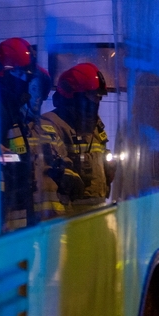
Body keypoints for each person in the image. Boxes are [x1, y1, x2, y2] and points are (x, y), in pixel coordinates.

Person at [37, 63, 114, 211]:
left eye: (98, 97)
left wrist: (108, 167)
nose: (97, 102)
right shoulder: (50, 124)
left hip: (97, 211)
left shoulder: (95, 127)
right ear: (74, 96)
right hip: (67, 216)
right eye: (92, 96)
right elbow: (53, 162)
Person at [0, 37, 38, 231]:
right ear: (3, 71)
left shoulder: (12, 107)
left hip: (18, 205)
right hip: (1, 212)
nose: (24, 80)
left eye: (26, 75)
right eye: (19, 73)